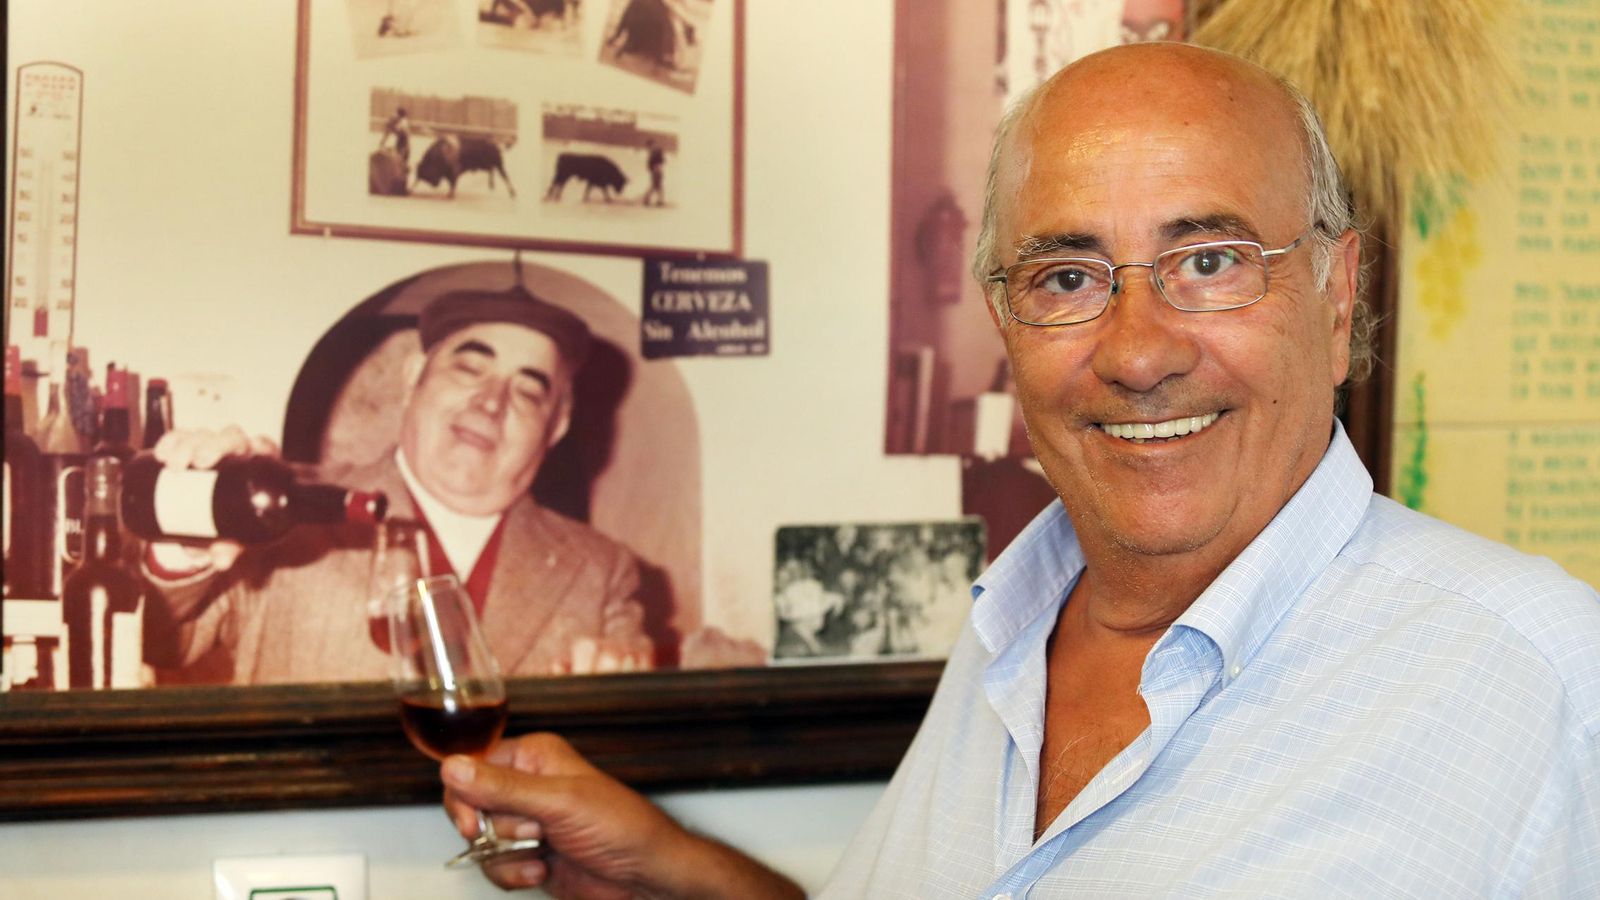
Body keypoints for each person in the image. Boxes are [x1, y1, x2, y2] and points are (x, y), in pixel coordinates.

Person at [437, 42, 1600, 897]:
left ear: (1337, 298)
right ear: (1006, 320)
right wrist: (668, 870)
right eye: (1066, 277)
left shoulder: (1543, 680)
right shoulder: (1016, 623)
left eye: (1208, 260)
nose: (1139, 350)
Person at [143, 286, 655, 684]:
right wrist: (186, 545)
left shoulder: (600, 570)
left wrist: (624, 687)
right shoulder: (288, 516)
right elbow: (161, 640)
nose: (491, 402)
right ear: (413, 378)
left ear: (557, 425)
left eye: (527, 390)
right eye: (470, 368)